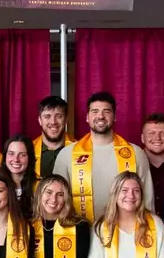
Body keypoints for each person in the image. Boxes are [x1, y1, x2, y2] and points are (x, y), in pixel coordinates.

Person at [54, 91, 153, 222]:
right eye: (94, 111)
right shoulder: (67, 154)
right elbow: (58, 200)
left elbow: (147, 200)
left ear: (115, 116)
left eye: (106, 111)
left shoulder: (135, 153)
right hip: (79, 232)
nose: (100, 116)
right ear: (87, 117)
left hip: (125, 232)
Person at [2, 135, 38, 218]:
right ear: (4, 157)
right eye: (11, 154)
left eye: (22, 155)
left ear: (30, 159)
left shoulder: (40, 186)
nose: (16, 159)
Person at [33, 95, 69, 177]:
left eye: (59, 116)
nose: (53, 122)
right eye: (47, 116)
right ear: (40, 120)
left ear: (66, 119)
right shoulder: (28, 151)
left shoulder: (78, 150)